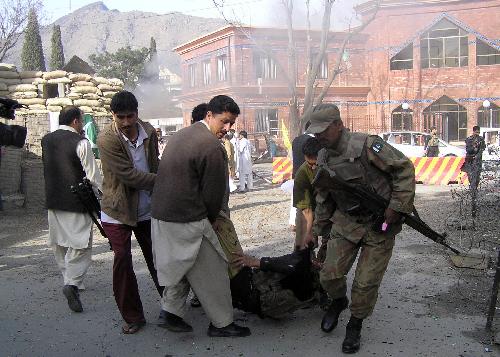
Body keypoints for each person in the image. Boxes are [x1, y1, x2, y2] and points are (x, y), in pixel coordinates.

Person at [307, 104, 415, 354]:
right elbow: (324, 197)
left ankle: (355, 324)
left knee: (365, 284)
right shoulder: (323, 156)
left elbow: (404, 168)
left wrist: (396, 207)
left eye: (323, 130)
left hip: (381, 223)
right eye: (316, 132)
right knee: (329, 275)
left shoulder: (367, 144)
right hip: (346, 222)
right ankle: (338, 301)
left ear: (338, 125)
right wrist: (317, 231)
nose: (319, 136)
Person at [151, 95, 250, 337]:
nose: (227, 129)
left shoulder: (181, 135)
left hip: (162, 216)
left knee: (183, 265)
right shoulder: (211, 146)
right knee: (213, 270)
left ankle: (170, 312)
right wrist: (214, 219)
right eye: (224, 122)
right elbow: (213, 193)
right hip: (188, 217)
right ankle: (222, 323)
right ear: (209, 115)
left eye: (231, 124)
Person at [97, 91, 163, 334]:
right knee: (122, 261)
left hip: (147, 209)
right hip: (117, 210)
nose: (126, 122)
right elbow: (129, 176)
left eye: (130, 116)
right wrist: (165, 180)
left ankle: (171, 307)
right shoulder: (106, 139)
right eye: (120, 117)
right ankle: (133, 316)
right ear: (113, 115)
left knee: (159, 259)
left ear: (137, 113)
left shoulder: (149, 132)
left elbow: (154, 164)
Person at [41, 106, 103, 313]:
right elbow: (93, 176)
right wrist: (106, 192)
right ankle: (72, 284)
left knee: (59, 243)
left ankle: (72, 280)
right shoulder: (81, 143)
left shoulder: (46, 140)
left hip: (53, 200)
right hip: (77, 202)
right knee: (81, 244)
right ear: (76, 121)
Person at [293, 137, 322, 251]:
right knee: (303, 242)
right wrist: (309, 232)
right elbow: (306, 210)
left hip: (332, 204)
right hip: (311, 205)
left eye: (316, 164)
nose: (313, 167)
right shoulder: (302, 174)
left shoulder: (333, 163)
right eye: (310, 164)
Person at [462, 125, 486, 217]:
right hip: (470, 163)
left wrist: (477, 155)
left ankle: (474, 198)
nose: (477, 134)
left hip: (477, 164)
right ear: (473, 132)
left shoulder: (481, 139)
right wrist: (474, 147)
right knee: (471, 181)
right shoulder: (469, 139)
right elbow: (468, 150)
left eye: (478, 132)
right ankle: (473, 199)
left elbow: (482, 150)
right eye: (476, 132)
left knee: (476, 182)